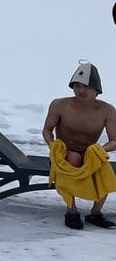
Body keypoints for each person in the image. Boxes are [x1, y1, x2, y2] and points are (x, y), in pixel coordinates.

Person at [41, 60, 116, 230]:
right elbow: (47, 130)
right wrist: (53, 146)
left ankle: (95, 212)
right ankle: (71, 210)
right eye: (77, 86)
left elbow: (114, 140)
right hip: (64, 154)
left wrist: (100, 149)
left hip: (90, 154)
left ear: (96, 90)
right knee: (73, 157)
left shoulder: (107, 110)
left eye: (86, 87)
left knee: (103, 166)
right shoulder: (60, 104)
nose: (81, 90)